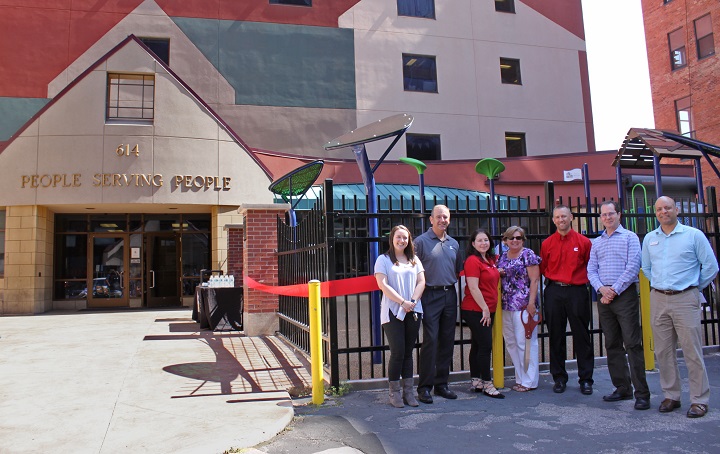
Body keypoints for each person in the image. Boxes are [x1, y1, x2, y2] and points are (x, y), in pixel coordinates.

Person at [641, 196, 719, 418]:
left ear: (676, 210)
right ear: (655, 213)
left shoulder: (693, 236)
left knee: (692, 351)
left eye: (667, 208)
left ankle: (699, 399)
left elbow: (711, 267)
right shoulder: (649, 238)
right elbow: (646, 268)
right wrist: (661, 285)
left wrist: (693, 287)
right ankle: (671, 395)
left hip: (686, 298)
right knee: (663, 352)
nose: (663, 212)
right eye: (659, 209)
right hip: (658, 298)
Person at [587, 201, 650, 411]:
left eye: (611, 213)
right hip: (604, 297)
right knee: (612, 344)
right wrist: (602, 289)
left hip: (624, 296)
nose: (607, 217)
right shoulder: (596, 242)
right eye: (604, 214)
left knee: (632, 344)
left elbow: (634, 266)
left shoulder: (630, 238)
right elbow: (591, 270)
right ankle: (622, 387)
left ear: (619, 215)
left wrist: (613, 290)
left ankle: (642, 394)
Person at [539, 205, 594, 395]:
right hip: (554, 291)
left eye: (564, 216)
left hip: (577, 291)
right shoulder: (547, 243)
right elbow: (543, 267)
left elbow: (590, 266)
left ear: (571, 217)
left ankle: (586, 379)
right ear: (553, 220)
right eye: (557, 217)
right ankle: (559, 378)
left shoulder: (584, 242)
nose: (561, 220)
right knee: (556, 336)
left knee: (582, 336)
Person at [414, 205, 464, 404]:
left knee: (447, 340)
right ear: (431, 219)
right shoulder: (420, 243)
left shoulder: (454, 243)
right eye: (439, 217)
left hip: (449, 295)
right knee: (431, 341)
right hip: (429, 295)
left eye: (446, 217)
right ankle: (425, 387)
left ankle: (442, 384)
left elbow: (457, 269)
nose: (442, 220)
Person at [375, 225, 426, 408]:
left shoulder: (414, 260)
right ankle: (394, 392)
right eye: (398, 237)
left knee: (408, 353)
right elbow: (383, 284)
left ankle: (408, 393)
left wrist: (411, 301)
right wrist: (402, 302)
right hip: (393, 311)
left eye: (405, 237)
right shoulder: (383, 260)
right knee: (397, 352)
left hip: (413, 310)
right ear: (392, 238)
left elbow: (421, 282)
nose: (402, 241)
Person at [497, 226, 541, 392]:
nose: (515, 240)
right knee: (511, 343)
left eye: (518, 238)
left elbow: (534, 280)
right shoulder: (502, 257)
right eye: (511, 238)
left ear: (523, 239)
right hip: (505, 305)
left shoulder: (528, 255)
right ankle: (520, 378)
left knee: (526, 343)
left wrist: (531, 303)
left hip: (523, 305)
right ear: (505, 240)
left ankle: (530, 381)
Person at [461, 229, 505, 398]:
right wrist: (485, 309)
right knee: (486, 345)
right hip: (476, 309)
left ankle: (476, 380)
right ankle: (487, 383)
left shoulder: (489, 260)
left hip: (488, 309)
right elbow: (473, 287)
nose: (483, 243)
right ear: (473, 244)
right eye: (479, 240)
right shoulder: (473, 261)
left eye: (486, 240)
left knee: (478, 345)